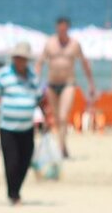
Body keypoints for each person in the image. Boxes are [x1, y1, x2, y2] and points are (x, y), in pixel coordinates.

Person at [0, 42, 41, 205]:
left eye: (23, 58)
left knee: (25, 161)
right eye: (17, 58)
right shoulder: (3, 75)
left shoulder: (33, 77)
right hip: (7, 127)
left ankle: (16, 191)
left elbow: (40, 99)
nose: (20, 61)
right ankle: (14, 195)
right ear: (13, 58)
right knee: (11, 162)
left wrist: (47, 119)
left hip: (27, 127)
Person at [35, 17, 96, 157]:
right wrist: (35, 81)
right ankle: (63, 146)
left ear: (68, 28)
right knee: (56, 118)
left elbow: (84, 63)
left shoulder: (74, 45)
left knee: (63, 117)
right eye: (60, 28)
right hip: (51, 84)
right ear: (57, 28)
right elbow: (39, 63)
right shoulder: (50, 43)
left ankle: (60, 149)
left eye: (64, 28)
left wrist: (91, 84)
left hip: (68, 84)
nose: (62, 31)